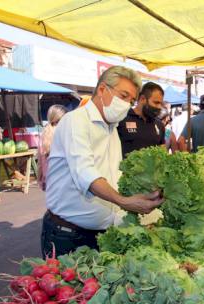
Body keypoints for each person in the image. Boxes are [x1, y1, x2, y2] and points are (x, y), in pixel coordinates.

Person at [42, 66, 164, 256]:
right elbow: (86, 174)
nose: (126, 104)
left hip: (101, 234)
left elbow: (114, 174)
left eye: (131, 100)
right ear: (102, 90)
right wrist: (124, 202)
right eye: (123, 96)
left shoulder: (112, 129)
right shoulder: (76, 121)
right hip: (68, 235)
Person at [117, 82, 165, 157]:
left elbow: (162, 150)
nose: (159, 107)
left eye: (161, 103)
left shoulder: (159, 125)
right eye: (156, 102)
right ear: (142, 99)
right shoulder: (121, 119)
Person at [37, 104, 67, 191]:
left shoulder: (43, 135)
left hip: (49, 182)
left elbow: (40, 162)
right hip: (64, 182)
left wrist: (41, 180)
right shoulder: (63, 135)